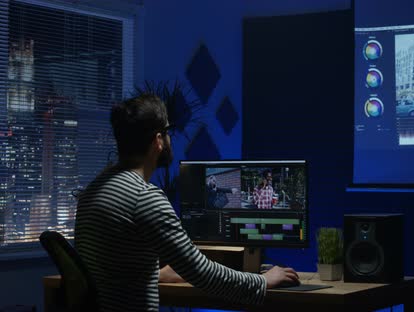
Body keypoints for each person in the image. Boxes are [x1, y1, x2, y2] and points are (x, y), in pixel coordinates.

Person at [74, 94, 298, 311]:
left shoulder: (93, 190)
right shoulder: (143, 196)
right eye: (168, 132)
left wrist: (156, 274)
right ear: (158, 140)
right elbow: (202, 273)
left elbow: (110, 269)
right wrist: (263, 281)